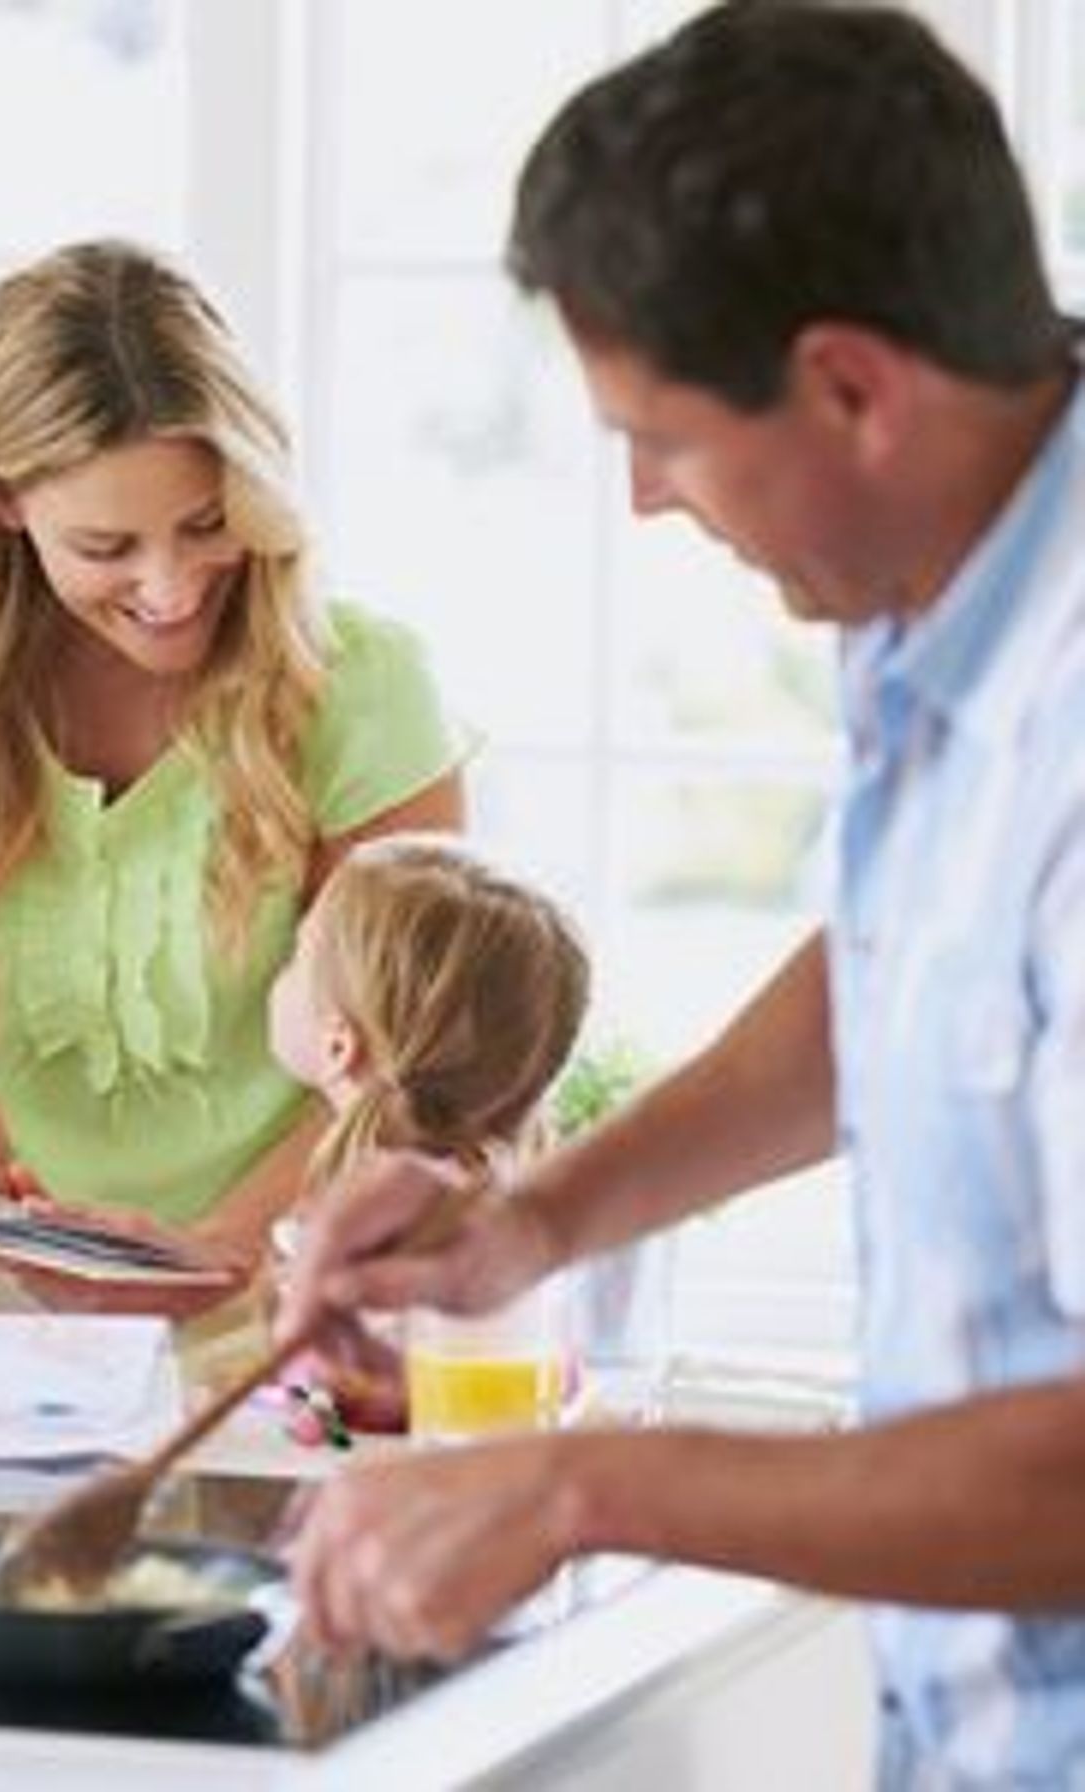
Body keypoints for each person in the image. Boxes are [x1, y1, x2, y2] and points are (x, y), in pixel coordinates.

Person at [281, 5, 1085, 1784]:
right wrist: (534, 1223)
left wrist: (578, 1484)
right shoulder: (940, 598)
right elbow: (902, 981)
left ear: (851, 387)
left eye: (661, 434)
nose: (643, 498)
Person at [0, 239, 465, 1353]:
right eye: (106, 545)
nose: (170, 586)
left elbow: (410, 1068)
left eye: (208, 524)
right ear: (0, 498)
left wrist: (225, 1249)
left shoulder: (362, 692)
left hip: (283, 1298)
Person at [266, 834, 588, 1431]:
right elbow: (555, 1389)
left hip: (395, 1507)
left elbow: (325, 1428)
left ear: (339, 1045)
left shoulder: (350, 1243)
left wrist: (280, 1404)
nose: (279, 976)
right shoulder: (510, 1233)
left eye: (294, 958)